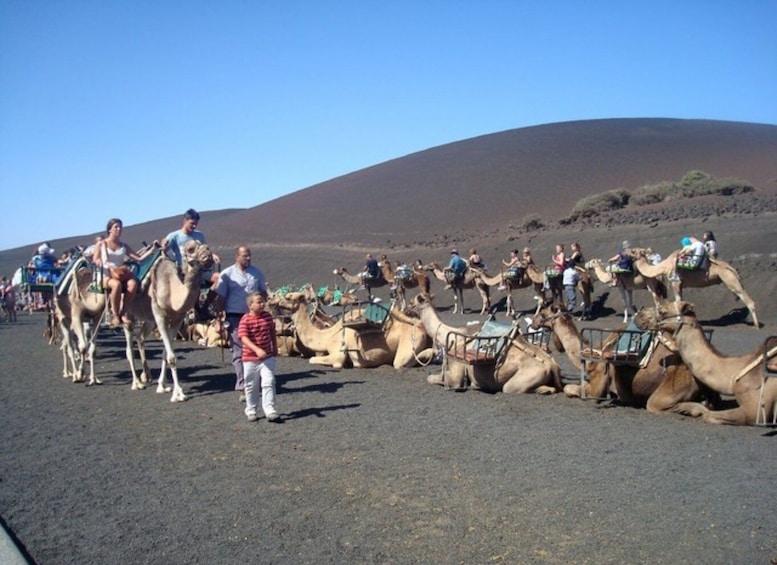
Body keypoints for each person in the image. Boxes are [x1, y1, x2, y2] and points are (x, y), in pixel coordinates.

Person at [214, 246, 268, 401]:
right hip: (235, 317)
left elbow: (263, 293)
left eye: (249, 256)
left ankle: (257, 383)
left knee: (257, 349)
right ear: (237, 257)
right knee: (239, 352)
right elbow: (221, 297)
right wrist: (219, 318)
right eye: (245, 256)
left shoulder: (257, 273)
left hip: (254, 317)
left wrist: (262, 303)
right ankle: (243, 387)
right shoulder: (227, 274)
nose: (248, 258)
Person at [93, 218, 156, 327]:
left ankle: (123, 313)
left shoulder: (124, 246)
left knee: (133, 284)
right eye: (116, 227)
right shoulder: (101, 244)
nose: (119, 229)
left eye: (120, 227)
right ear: (109, 230)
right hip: (106, 274)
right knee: (116, 285)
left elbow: (139, 258)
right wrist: (99, 261)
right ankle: (115, 315)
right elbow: (95, 258)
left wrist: (152, 249)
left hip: (120, 274)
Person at [238, 291, 280, 423]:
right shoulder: (245, 319)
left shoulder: (267, 317)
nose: (262, 304)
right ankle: (251, 410)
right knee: (251, 385)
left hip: (267, 357)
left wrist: (275, 346)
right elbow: (243, 337)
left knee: (268, 382)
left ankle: (270, 409)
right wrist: (256, 349)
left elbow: (272, 331)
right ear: (251, 305)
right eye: (259, 302)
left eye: (263, 302)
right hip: (250, 359)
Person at [161, 208, 221, 279]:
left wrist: (212, 255)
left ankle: (211, 290)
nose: (194, 226)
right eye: (192, 223)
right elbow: (163, 249)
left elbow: (205, 250)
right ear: (185, 221)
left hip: (200, 270)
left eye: (196, 224)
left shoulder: (199, 235)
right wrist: (164, 245)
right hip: (183, 272)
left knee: (220, 278)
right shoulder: (174, 236)